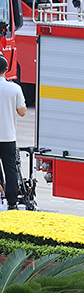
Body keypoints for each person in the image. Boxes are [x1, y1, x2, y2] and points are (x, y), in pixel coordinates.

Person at [0, 55, 26, 211]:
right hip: (8, 136)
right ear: (6, 69)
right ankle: (12, 201)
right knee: (10, 168)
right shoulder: (15, 88)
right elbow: (22, 112)